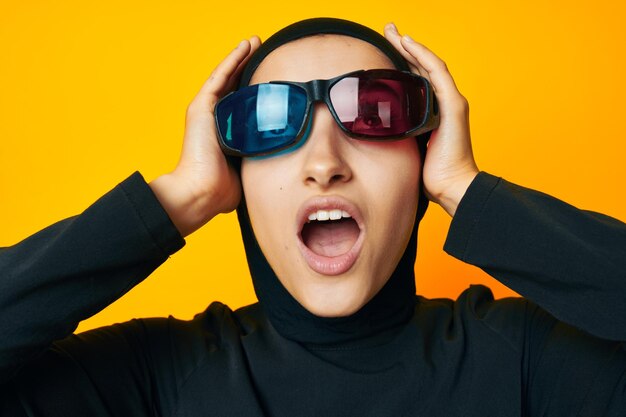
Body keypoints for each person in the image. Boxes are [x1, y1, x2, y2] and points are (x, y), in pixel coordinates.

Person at [1, 17, 625, 416]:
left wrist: (467, 190)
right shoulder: (152, 380)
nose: (323, 162)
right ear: (233, 174)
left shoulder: (526, 361)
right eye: (271, 124)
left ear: (424, 157)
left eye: (374, 113)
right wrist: (178, 198)